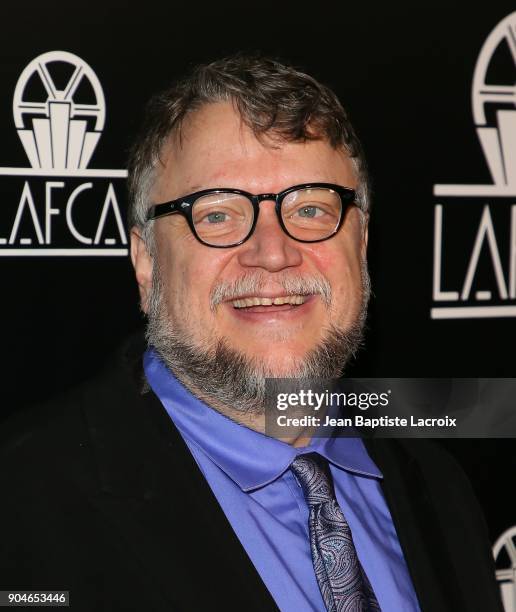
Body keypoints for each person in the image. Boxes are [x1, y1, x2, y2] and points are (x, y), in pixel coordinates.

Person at [0, 55, 502, 612]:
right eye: (216, 215)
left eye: (311, 208)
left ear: (360, 247)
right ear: (146, 263)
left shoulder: (439, 484)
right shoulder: (23, 509)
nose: (273, 252)